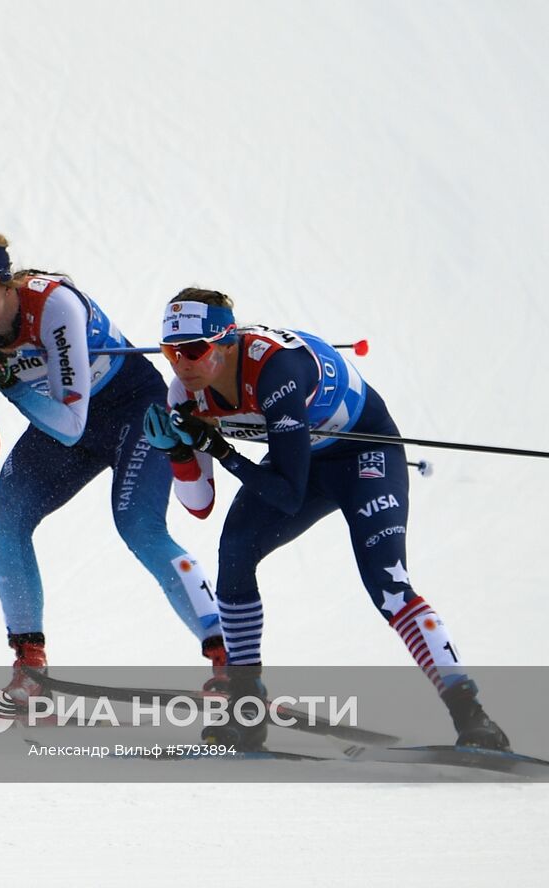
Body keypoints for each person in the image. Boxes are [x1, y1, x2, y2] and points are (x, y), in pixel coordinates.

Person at [143, 289, 509, 750]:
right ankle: (245, 702)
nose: (182, 364)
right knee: (234, 551)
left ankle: (473, 717)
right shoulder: (186, 394)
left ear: (227, 342)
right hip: (296, 459)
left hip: (362, 455)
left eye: (194, 350)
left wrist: (218, 448)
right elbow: (199, 504)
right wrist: (179, 453)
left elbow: (289, 496)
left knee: (388, 584)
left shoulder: (276, 372)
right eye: (171, 351)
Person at [0, 224, 224, 701]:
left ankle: (230, 662)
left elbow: (71, 422)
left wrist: (8, 383)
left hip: (130, 409)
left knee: (139, 526)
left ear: (2, 283)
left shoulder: (53, 306)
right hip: (61, 421)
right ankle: (29, 668)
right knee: (6, 520)